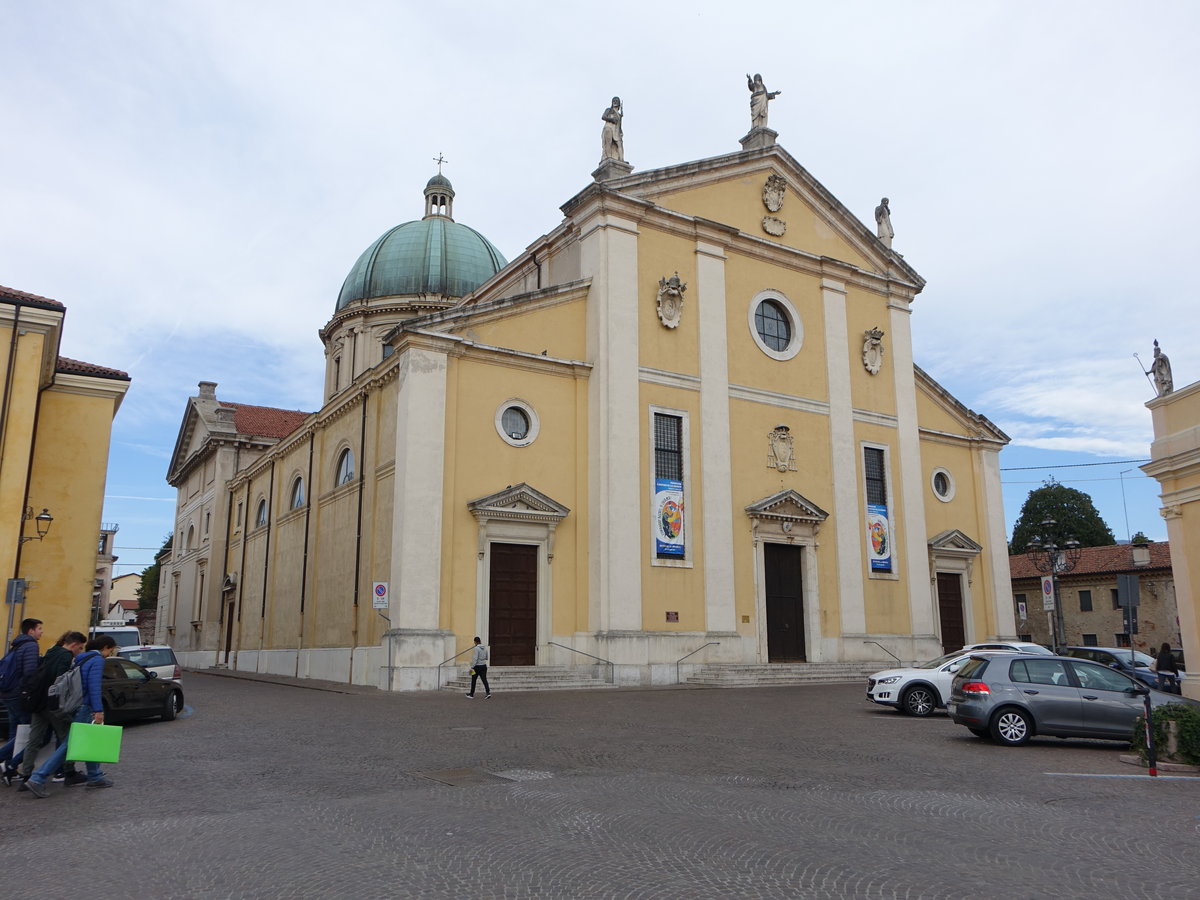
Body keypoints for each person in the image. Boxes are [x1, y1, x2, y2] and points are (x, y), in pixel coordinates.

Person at [24, 635, 119, 797]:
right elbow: (93, 686)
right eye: (111, 650)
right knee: (70, 744)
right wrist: (98, 710)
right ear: (106, 647)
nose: (110, 654)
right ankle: (38, 778)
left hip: (76, 704)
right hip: (86, 706)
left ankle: (94, 776)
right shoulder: (97, 660)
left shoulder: (81, 658)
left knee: (90, 739)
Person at [15, 631, 88, 789]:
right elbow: (61, 681)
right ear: (74, 645)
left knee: (33, 740)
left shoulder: (51, 651)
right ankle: (69, 772)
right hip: (52, 704)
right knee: (67, 738)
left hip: (37, 702)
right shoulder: (65, 656)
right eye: (80, 648)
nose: (80, 651)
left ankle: (25, 776)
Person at [1, 617, 43, 783]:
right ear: (31, 630)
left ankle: (8, 766)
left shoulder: (16, 644)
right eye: (39, 629)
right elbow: (30, 672)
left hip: (7, 693)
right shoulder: (31, 645)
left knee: (15, 730)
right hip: (19, 694)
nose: (41, 632)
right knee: (26, 731)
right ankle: (10, 764)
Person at [601, 97, 624, 162]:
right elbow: (603, 117)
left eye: (617, 100)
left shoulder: (619, 115)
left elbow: (619, 125)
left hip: (616, 131)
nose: (615, 101)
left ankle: (621, 159)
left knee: (620, 144)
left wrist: (621, 131)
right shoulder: (609, 110)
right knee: (608, 143)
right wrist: (611, 119)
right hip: (609, 128)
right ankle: (608, 157)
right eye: (614, 100)